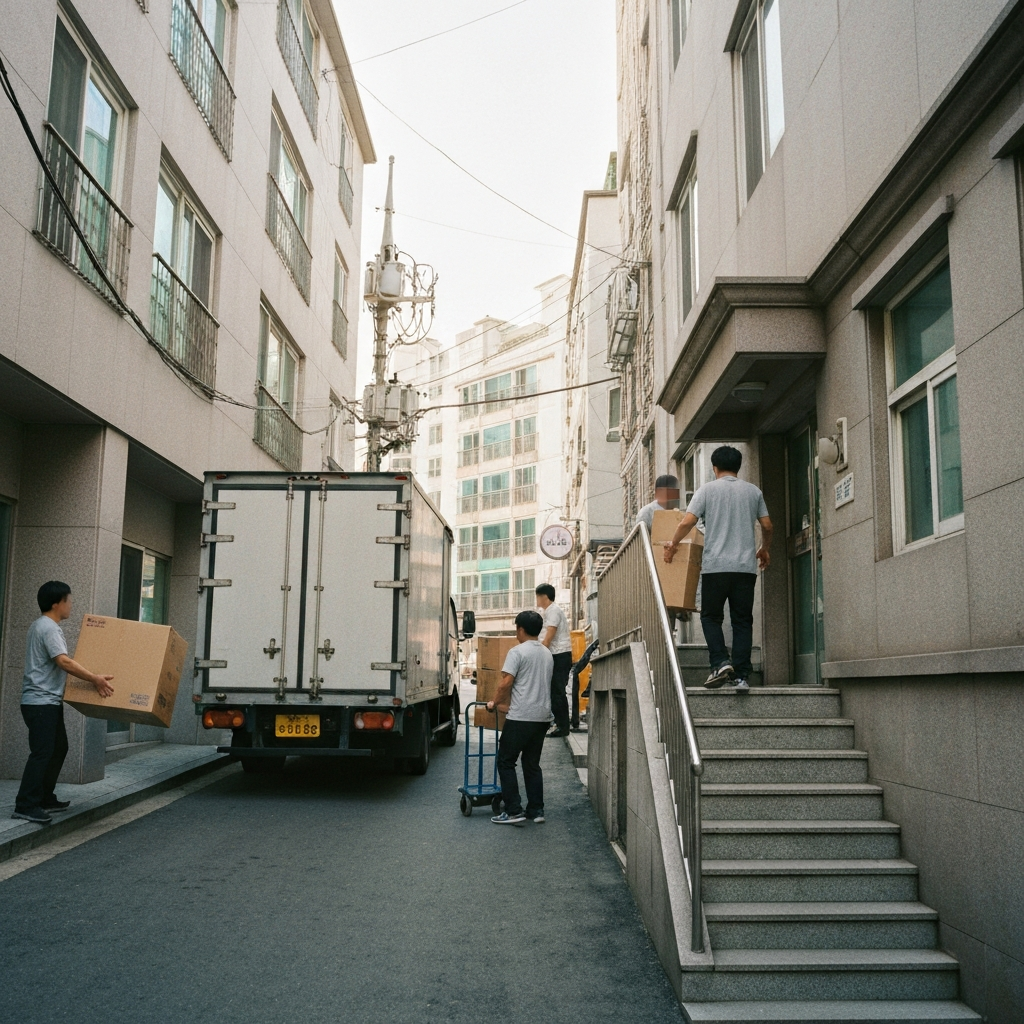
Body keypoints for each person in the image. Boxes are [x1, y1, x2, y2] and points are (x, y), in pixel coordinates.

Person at [664, 446, 772, 692]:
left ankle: (720, 662)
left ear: (715, 468)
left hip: (715, 568)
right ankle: (741, 677)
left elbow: (688, 521)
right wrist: (764, 549)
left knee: (711, 617)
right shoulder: (753, 492)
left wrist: (673, 544)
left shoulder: (707, 490)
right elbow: (767, 525)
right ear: (738, 467)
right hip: (745, 569)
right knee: (742, 621)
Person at [13, 581, 115, 825]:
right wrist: (94, 679)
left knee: (59, 748)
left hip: (45, 701)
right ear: (56, 603)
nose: (71, 604)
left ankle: (44, 797)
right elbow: (64, 661)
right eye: (69, 600)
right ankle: (25, 804)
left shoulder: (41, 625)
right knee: (42, 752)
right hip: (41, 702)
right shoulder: (49, 628)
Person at [487, 610, 553, 825]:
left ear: (521, 629)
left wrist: (493, 703)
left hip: (521, 717)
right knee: (531, 764)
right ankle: (536, 810)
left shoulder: (517, 652)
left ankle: (514, 810)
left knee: (506, 761)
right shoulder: (547, 654)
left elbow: (506, 683)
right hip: (542, 717)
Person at [535, 583, 572, 737]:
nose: (537, 600)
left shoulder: (553, 611)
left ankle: (563, 727)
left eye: (538, 596)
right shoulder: (549, 611)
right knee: (554, 691)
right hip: (556, 655)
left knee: (557, 692)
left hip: (560, 655)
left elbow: (549, 636)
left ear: (544, 596)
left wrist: (539, 653)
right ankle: (559, 724)